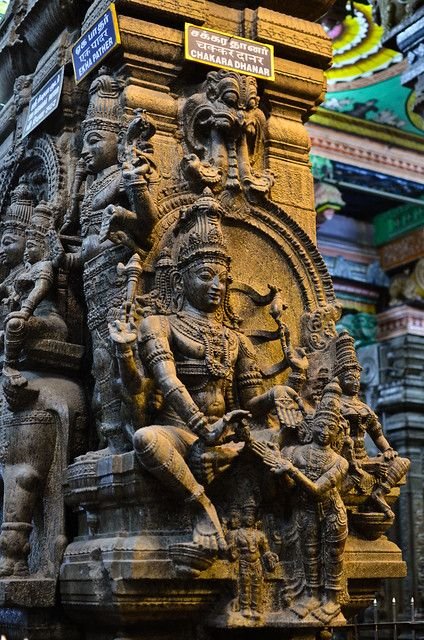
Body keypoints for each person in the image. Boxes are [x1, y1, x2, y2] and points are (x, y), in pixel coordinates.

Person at [109, 190, 303, 560]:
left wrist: (278, 393)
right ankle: (201, 506)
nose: (217, 286)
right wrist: (203, 428)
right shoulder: (159, 324)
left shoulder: (236, 339)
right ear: (180, 280)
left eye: (223, 279)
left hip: (226, 432)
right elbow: (167, 380)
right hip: (180, 430)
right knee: (147, 440)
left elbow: (251, 402)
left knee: (285, 447)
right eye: (205, 276)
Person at [252, 380, 349, 624]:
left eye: (331, 427)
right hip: (303, 510)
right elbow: (289, 488)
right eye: (321, 424)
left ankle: (332, 600)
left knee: (332, 556)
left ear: (338, 432)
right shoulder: (295, 452)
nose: (325, 430)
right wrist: (279, 471)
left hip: (332, 512)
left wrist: (291, 470)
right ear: (313, 425)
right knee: (309, 553)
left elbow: (318, 490)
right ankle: (311, 596)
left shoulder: (340, 462)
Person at [335, 330, 410, 517]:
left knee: (403, 462)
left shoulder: (364, 408)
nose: (355, 383)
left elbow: (378, 436)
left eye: (357, 378)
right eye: (350, 378)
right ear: (339, 378)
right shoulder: (335, 405)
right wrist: (368, 466)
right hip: (344, 458)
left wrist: (387, 451)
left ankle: (380, 492)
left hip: (364, 457)